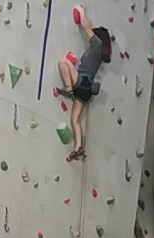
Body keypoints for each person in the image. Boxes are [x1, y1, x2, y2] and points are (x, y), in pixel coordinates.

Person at [56, 7, 112, 159]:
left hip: (82, 81)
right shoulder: (99, 52)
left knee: (63, 62)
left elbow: (86, 26)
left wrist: (81, 11)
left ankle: (68, 89)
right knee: (75, 120)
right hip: (86, 91)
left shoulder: (97, 45)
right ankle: (78, 147)